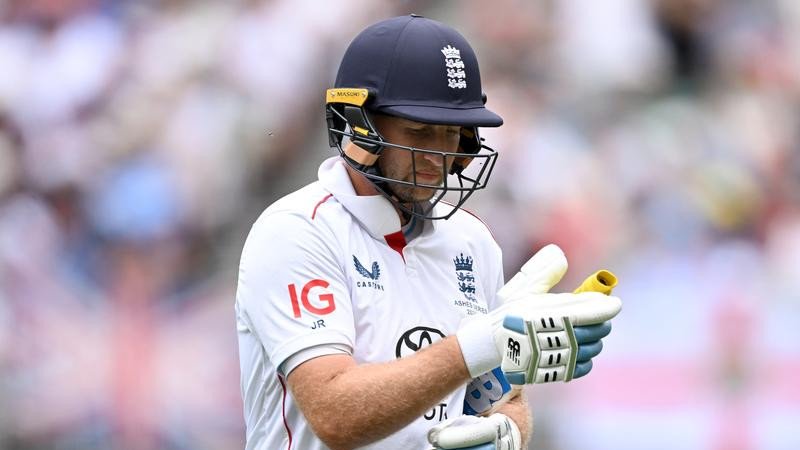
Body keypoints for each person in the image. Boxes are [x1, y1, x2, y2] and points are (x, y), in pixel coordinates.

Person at [235, 14, 621, 450]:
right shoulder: (297, 232)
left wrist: (506, 432)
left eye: (452, 134)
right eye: (419, 132)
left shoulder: (473, 242)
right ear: (359, 123)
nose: (438, 155)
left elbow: (499, 394)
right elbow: (335, 413)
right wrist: (483, 342)